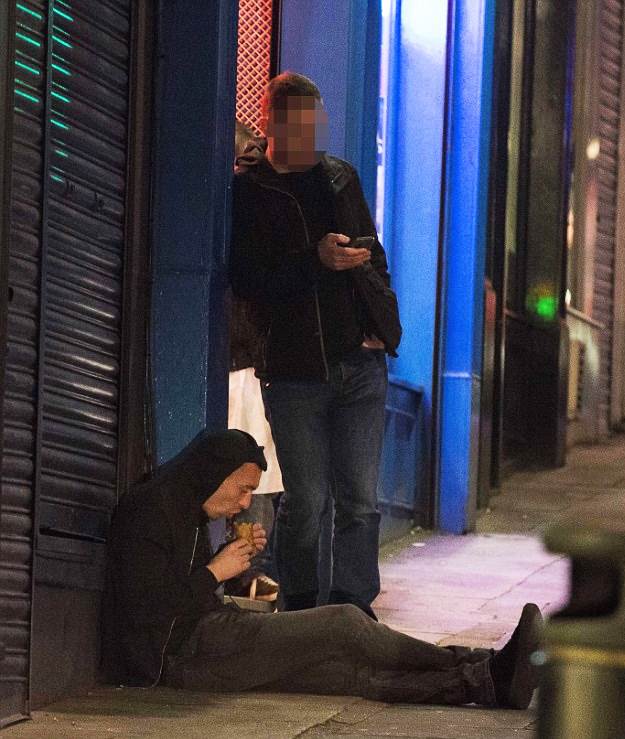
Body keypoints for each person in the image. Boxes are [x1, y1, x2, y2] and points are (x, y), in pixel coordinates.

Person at [101, 429, 542, 710]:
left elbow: (183, 590)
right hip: (180, 657)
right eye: (242, 490)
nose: (244, 503)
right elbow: (148, 610)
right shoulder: (149, 510)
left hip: (202, 645)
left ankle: (484, 684)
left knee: (347, 675)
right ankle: (479, 661)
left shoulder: (189, 509)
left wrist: (233, 569)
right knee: (344, 624)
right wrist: (216, 570)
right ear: (213, 474)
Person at [230, 72, 397, 618]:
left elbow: (373, 254)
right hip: (294, 368)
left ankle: (353, 609)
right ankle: (301, 609)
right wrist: (315, 259)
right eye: (301, 124)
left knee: (360, 502)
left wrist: (380, 321)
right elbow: (248, 277)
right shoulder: (250, 191)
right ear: (273, 124)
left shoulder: (340, 178)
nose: (313, 135)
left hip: (359, 362)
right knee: (306, 501)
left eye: (317, 123)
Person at [225, 121, 283, 601]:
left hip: (248, 360)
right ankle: (243, 576)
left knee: (256, 475)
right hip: (232, 356)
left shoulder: (260, 208)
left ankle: (249, 576)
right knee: (248, 473)